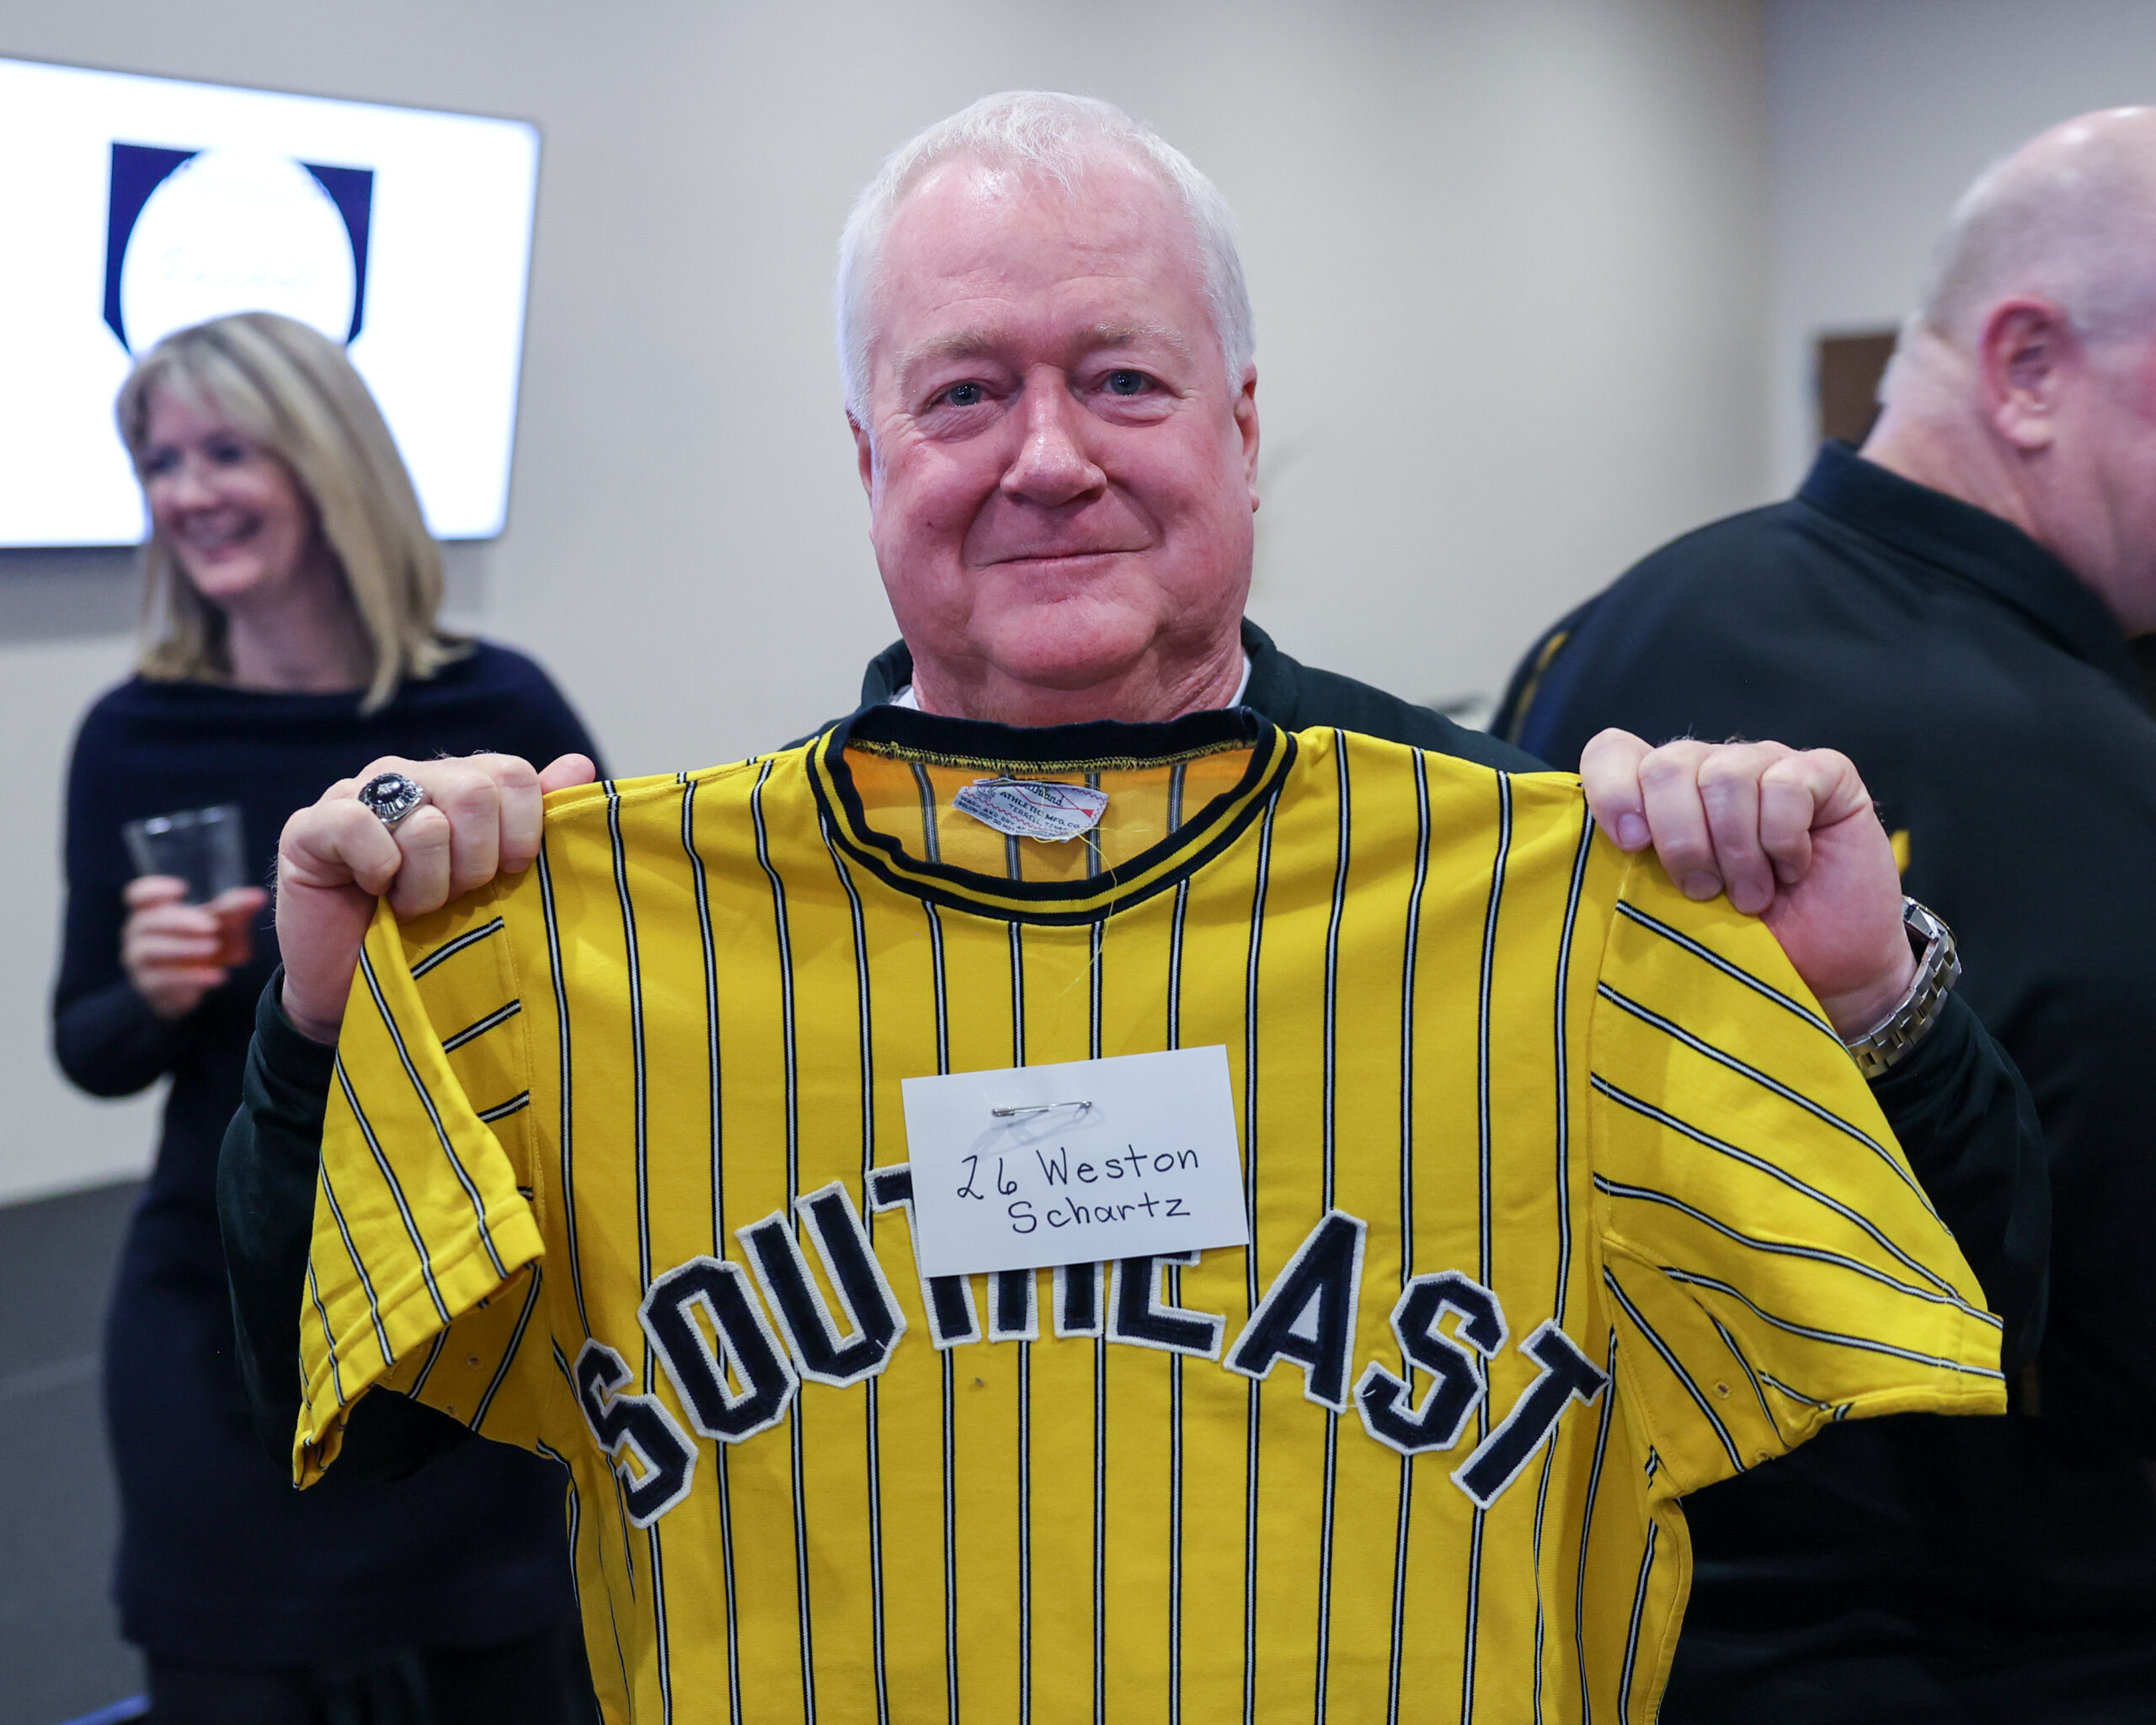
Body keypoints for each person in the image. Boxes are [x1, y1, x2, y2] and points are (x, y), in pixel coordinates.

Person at [219, 97, 2039, 1722]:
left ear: (1239, 426)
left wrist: (1868, 1001)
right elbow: (344, 1423)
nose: (1046, 456)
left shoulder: (1549, 897)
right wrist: (324, 1033)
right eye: (963, 392)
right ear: (868, 457)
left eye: (1120, 380)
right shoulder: (606, 936)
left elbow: (1951, 1387)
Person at [1497, 108, 2156, 1723]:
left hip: (1624, 1628)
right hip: (2011, 1654)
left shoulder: (1609, 627)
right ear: (2026, 367)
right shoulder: (2099, 776)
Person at [56, 311, 601, 1722]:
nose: (187, 492)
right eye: (160, 462)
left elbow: (592, 1002)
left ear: (324, 462)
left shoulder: (493, 706)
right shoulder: (131, 734)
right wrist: (149, 989)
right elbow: (89, 1046)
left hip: (463, 1302)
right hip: (218, 1333)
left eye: (225, 451)